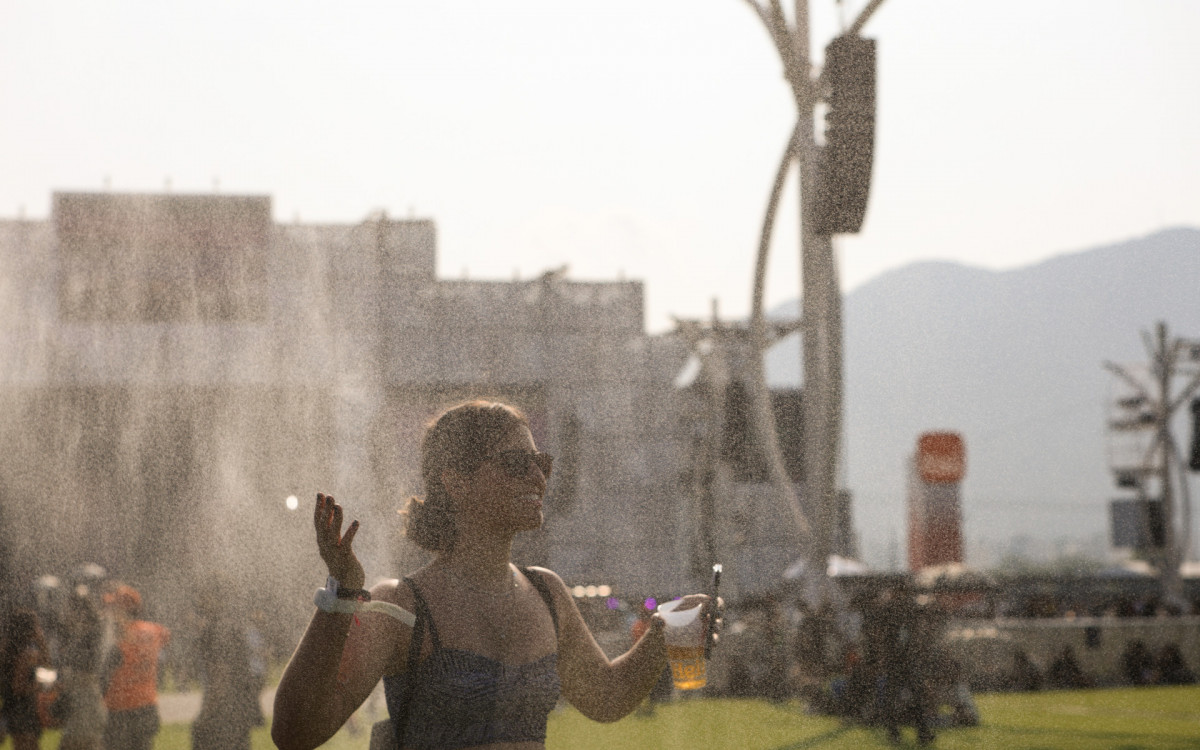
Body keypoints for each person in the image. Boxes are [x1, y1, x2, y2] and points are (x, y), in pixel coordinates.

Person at [272, 400, 718, 750]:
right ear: (457, 482)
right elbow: (294, 735)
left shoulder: (546, 590)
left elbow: (604, 698)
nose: (538, 478)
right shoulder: (403, 606)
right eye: (514, 464)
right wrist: (342, 591)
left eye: (540, 462)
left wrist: (663, 634)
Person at [190, 578, 263, 750]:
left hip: (219, 718)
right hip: (240, 715)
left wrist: (204, 716)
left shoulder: (213, 630)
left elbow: (220, 678)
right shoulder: (235, 626)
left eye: (203, 595)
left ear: (215, 597)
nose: (199, 600)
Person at [100, 584, 170, 750]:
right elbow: (166, 636)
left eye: (113, 607)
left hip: (120, 709)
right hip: (147, 706)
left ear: (124, 609)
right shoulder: (155, 630)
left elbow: (105, 672)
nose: (109, 611)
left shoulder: (118, 635)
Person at [58, 592, 108, 750]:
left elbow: (89, 671)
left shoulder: (92, 636)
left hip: (85, 699)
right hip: (79, 698)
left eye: (69, 610)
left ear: (81, 613)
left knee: (82, 742)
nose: (64, 614)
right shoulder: (78, 637)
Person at [1, 609, 52, 750]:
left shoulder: (10, 649)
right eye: (37, 625)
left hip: (13, 710)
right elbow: (18, 687)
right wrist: (37, 686)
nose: (39, 628)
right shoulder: (25, 654)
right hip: (23, 712)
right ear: (29, 628)